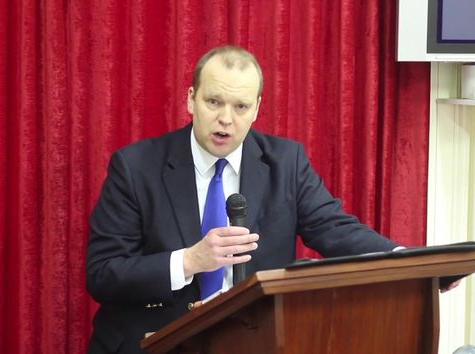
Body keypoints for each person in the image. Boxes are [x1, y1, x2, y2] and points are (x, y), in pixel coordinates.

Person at [86, 45, 400, 354]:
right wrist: (190, 260)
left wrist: (404, 261)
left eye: (240, 107)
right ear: (191, 99)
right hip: (156, 340)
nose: (225, 119)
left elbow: (334, 228)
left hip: (252, 341)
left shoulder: (286, 162)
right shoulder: (135, 167)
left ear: (257, 109)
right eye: (213, 101)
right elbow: (103, 274)